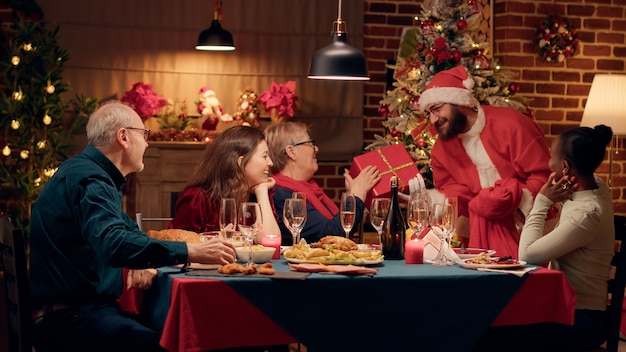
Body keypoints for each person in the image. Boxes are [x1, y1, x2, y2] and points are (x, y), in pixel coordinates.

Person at [29, 101, 237, 352]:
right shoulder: (90, 178)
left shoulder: (87, 172)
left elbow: (125, 230)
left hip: (75, 312)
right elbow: (114, 243)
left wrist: (143, 260)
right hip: (71, 320)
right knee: (182, 343)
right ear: (124, 136)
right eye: (144, 134)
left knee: (180, 334)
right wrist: (192, 251)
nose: (147, 143)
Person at [474, 124, 614, 351]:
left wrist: (543, 200)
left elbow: (526, 254)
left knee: (488, 336)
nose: (548, 162)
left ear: (565, 166)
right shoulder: (599, 187)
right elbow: (575, 202)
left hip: (580, 318)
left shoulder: (586, 215)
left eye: (552, 157)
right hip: (565, 308)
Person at [418, 65, 553, 258]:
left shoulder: (512, 124)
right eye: (428, 113)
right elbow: (456, 191)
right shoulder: (440, 149)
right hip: (478, 238)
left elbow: (544, 174)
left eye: (437, 109)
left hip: (532, 229)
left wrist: (511, 202)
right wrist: (437, 201)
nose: (433, 120)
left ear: (459, 101)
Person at [264, 121, 381, 245]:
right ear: (291, 152)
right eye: (310, 143)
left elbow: (342, 231)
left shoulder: (311, 189)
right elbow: (329, 237)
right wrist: (356, 195)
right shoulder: (282, 195)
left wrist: (350, 199)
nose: (316, 149)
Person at [170, 125, 280, 241]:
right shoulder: (199, 199)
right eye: (265, 156)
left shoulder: (259, 194)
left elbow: (270, 242)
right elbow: (181, 246)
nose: (271, 163)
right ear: (241, 163)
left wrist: (262, 191)